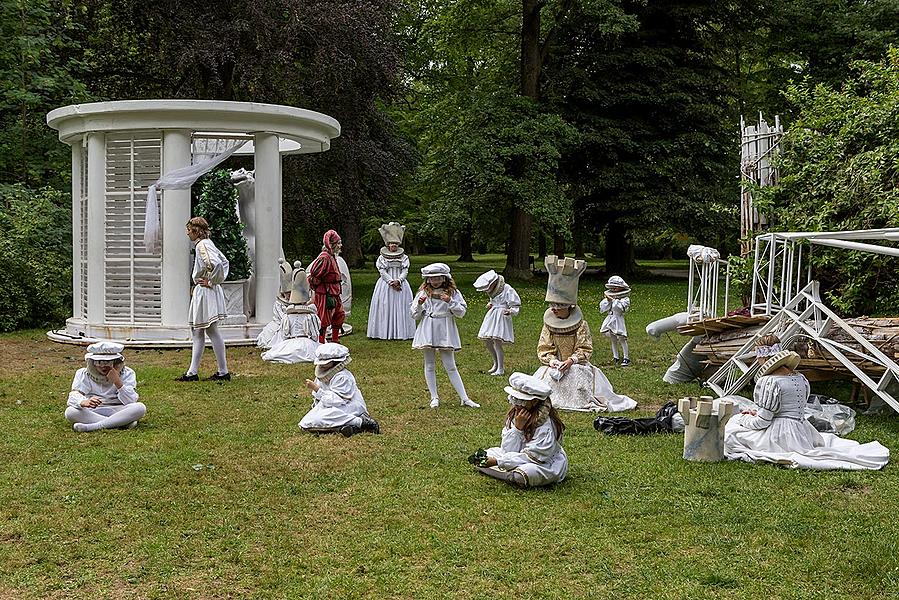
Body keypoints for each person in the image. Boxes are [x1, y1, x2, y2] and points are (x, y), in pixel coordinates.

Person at [724, 335, 889, 470]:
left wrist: (744, 419)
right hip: (802, 431)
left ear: (761, 357)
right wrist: (758, 413)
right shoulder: (800, 378)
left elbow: (763, 421)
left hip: (782, 436)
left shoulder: (769, 381)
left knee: (732, 430)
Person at [534, 255, 636, 412]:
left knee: (577, 376)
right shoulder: (548, 325)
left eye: (559, 305)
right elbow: (544, 347)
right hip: (555, 364)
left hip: (577, 365)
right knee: (546, 378)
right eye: (552, 304)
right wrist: (554, 362)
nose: (554, 308)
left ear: (569, 305)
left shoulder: (580, 325)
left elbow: (585, 348)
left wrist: (570, 361)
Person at [468, 372, 567, 487]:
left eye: (521, 401)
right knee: (480, 456)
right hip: (515, 456)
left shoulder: (546, 426)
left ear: (534, 401)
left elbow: (534, 457)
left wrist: (497, 462)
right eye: (515, 399)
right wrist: (517, 428)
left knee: (525, 473)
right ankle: (509, 473)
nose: (516, 404)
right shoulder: (517, 415)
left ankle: (510, 475)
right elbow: (507, 450)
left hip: (542, 463)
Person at [411, 262, 480, 408]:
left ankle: (464, 398)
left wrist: (450, 302)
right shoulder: (423, 293)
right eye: (432, 278)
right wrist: (419, 304)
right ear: (427, 280)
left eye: (438, 278)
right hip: (428, 328)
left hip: (445, 329)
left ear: (444, 278)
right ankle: (434, 397)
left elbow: (461, 312)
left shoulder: (453, 293)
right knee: (429, 364)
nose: (435, 281)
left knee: (451, 365)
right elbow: (414, 315)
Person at [177, 217, 230, 381]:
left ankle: (220, 371)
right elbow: (224, 262)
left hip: (206, 291)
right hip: (206, 290)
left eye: (189, 230)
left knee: (208, 330)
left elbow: (218, 264)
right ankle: (194, 372)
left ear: (195, 231)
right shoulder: (207, 243)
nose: (187, 233)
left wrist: (211, 280)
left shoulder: (202, 245)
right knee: (200, 330)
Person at [299, 343, 380, 437]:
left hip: (347, 406)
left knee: (323, 417)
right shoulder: (322, 374)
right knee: (307, 422)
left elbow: (337, 400)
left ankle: (362, 422)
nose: (321, 365)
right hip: (329, 406)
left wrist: (317, 389)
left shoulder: (342, 377)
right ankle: (349, 428)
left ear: (335, 361)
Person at [65, 342, 147, 432]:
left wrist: (118, 382)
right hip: (94, 411)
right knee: (70, 412)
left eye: (108, 362)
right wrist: (83, 401)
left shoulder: (127, 373)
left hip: (119, 409)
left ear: (116, 362)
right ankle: (122, 423)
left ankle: (91, 427)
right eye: (99, 362)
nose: (103, 366)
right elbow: (74, 395)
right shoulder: (83, 373)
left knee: (140, 407)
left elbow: (131, 400)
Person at [262, 261, 321, 364]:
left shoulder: (287, 316)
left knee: (280, 351)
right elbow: (315, 334)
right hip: (307, 343)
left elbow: (285, 334)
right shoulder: (310, 316)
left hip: (291, 341)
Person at [367, 222, 416, 340]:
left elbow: (405, 270)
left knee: (401, 305)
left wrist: (399, 280)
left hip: (401, 283)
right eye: (391, 243)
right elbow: (382, 271)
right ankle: (383, 331)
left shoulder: (404, 257)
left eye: (395, 243)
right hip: (385, 284)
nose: (393, 245)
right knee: (385, 305)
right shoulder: (382, 257)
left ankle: (402, 331)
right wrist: (390, 282)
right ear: (388, 245)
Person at [473, 269, 521, 376]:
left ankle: (501, 368)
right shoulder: (493, 291)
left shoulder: (507, 289)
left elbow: (515, 303)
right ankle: (495, 363)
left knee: (497, 341)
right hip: (492, 315)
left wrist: (511, 310)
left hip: (501, 316)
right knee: (488, 341)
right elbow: (494, 300)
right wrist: (491, 304)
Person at [307, 230, 346, 344]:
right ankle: (321, 341)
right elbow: (314, 274)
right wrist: (319, 286)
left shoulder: (332, 256)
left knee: (339, 315)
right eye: (338, 243)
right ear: (332, 244)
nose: (340, 245)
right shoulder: (324, 257)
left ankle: (335, 339)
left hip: (334, 292)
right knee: (323, 318)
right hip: (325, 293)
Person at [256, 258, 293, 350]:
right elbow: (281, 317)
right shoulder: (278, 303)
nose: (288, 296)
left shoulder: (294, 300)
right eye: (286, 293)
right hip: (281, 323)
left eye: (290, 293)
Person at [599, 275, 631, 366]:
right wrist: (608, 301)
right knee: (613, 339)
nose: (613, 289)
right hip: (610, 319)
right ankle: (615, 357)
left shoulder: (625, 299)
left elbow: (619, 309)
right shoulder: (608, 298)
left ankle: (626, 357)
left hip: (618, 320)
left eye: (615, 287)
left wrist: (613, 301)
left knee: (621, 338)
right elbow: (603, 308)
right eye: (612, 287)